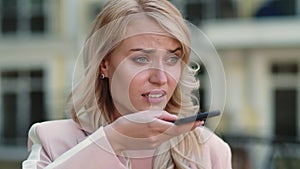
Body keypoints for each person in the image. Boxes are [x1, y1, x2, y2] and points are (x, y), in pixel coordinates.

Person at [22, 0, 232, 168]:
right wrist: (113, 140)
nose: (160, 78)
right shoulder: (53, 140)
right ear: (104, 65)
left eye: (172, 59)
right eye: (141, 59)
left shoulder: (210, 151)